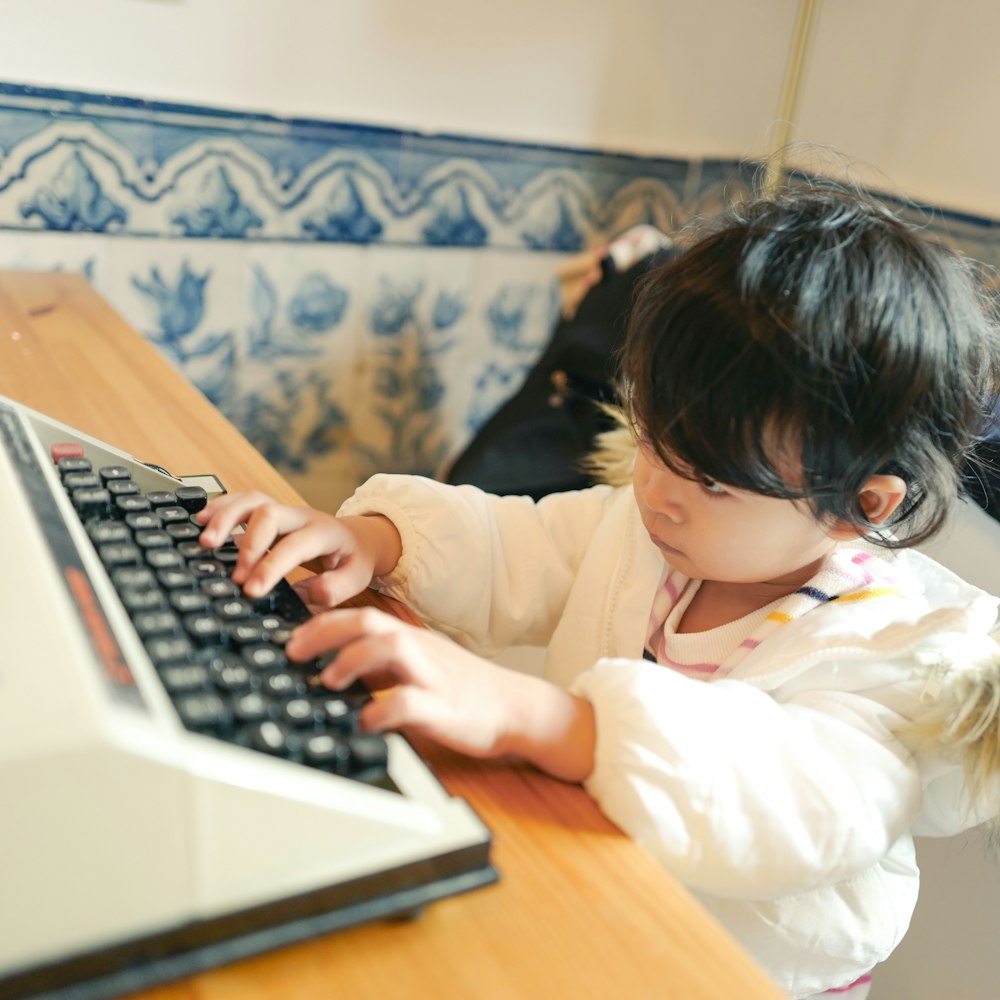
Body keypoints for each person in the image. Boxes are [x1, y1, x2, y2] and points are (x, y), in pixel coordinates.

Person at [197, 187, 1000, 999]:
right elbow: (523, 544)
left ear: (861, 506)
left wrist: (548, 719)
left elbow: (792, 796)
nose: (654, 490)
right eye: (652, 439)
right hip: (591, 895)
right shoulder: (657, 531)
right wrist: (379, 539)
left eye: (711, 480)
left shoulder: (893, 659)